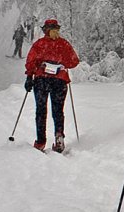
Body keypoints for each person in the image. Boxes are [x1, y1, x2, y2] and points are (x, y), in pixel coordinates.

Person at [24, 18, 81, 152]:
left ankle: (40, 141)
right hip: (60, 80)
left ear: (45, 30)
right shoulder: (64, 44)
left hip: (42, 79)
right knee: (58, 111)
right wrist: (62, 64)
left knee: (41, 111)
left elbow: (31, 61)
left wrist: (29, 77)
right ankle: (59, 137)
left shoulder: (40, 44)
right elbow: (74, 61)